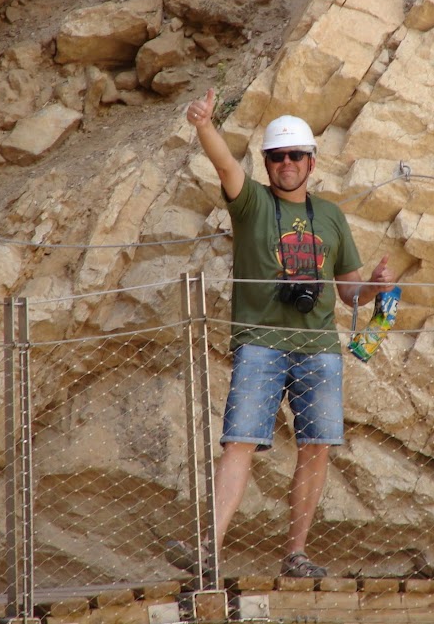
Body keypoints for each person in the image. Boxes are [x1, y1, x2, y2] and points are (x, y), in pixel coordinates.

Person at [167, 88, 395, 578]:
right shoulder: (250, 204)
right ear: (268, 163)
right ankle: (210, 550)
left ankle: (296, 553)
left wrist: (377, 289)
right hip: (260, 344)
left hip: (319, 349)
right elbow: (228, 167)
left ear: (311, 162)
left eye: (296, 155)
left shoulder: (331, 216)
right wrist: (205, 125)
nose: (287, 163)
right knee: (240, 442)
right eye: (277, 156)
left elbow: (350, 295)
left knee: (316, 447)